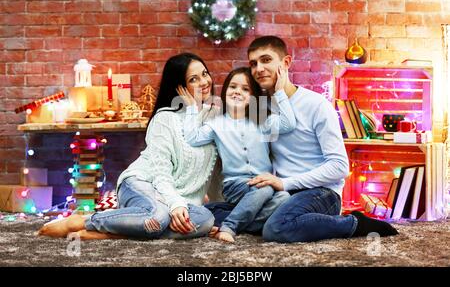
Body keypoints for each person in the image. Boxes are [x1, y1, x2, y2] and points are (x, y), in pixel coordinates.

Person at [207, 36, 399, 242]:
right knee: (208, 212)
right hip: (281, 194)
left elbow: (340, 166)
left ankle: (353, 223)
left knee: (276, 229)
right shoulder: (260, 107)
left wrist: (285, 182)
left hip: (321, 193)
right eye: (253, 63)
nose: (258, 69)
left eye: (266, 60)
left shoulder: (316, 105)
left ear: (286, 63)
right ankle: (261, 219)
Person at [38, 53, 220, 240]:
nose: (204, 82)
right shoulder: (166, 118)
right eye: (193, 79)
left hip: (176, 199)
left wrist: (181, 203)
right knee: (157, 218)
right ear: (179, 87)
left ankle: (117, 233)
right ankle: (84, 221)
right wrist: (175, 204)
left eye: (205, 74)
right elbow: (160, 171)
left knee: (205, 219)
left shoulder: (214, 118)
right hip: (143, 183)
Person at [177, 67, 293, 243]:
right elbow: (192, 138)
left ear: (253, 98)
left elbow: (288, 124)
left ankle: (239, 223)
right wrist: (193, 108)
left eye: (245, 89)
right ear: (225, 91)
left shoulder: (261, 121)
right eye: (233, 87)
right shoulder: (216, 124)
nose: (238, 92)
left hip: (263, 183)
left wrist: (279, 91)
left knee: (284, 197)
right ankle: (229, 226)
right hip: (235, 185)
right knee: (267, 188)